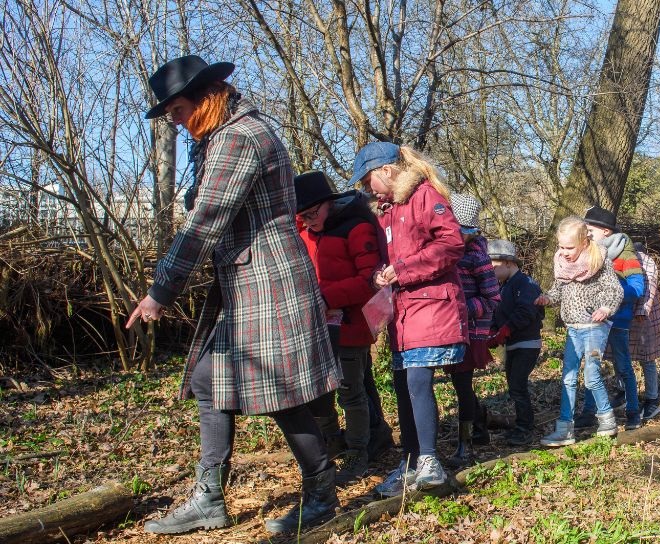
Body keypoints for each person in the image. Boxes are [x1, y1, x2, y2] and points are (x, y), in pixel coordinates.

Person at [131, 55, 341, 535]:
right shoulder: (220, 140)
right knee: (207, 379)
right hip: (244, 283)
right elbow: (207, 202)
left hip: (270, 282)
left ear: (205, 98)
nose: (177, 122)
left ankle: (322, 494)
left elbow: (204, 222)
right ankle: (209, 499)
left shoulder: (240, 137)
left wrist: (161, 290)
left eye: (178, 111)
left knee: (281, 393)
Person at [353, 142, 468, 497]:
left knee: (418, 381)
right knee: (403, 385)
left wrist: (401, 270)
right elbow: (387, 258)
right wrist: (379, 274)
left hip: (430, 307)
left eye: (368, 179)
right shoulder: (385, 210)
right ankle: (410, 460)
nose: (366, 188)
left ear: (386, 170)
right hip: (402, 314)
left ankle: (430, 459)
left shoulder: (424, 195)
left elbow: (452, 243)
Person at [294, 171, 395, 485]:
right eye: (303, 215)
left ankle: (357, 452)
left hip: (350, 326)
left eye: (313, 213)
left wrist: (326, 297)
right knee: (330, 390)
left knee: (352, 392)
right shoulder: (306, 231)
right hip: (316, 326)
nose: (309, 221)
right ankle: (350, 439)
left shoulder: (357, 227)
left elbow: (370, 280)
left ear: (329, 204)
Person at [535, 216, 625, 447]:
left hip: (595, 328)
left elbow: (614, 290)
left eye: (569, 247)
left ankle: (607, 419)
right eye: (561, 247)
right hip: (573, 329)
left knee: (592, 375)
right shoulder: (563, 264)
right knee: (568, 377)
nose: (564, 252)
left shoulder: (598, 260)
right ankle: (565, 429)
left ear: (584, 242)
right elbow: (559, 289)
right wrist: (547, 298)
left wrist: (606, 308)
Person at [443, 193, 500, 468]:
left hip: (472, 330)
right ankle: (480, 421)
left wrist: (462, 308)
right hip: (445, 327)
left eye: (464, 232)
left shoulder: (477, 256)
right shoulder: (443, 251)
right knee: (457, 383)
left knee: (462, 385)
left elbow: (492, 298)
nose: (458, 236)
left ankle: (465, 445)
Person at [578, 206, 646, 430]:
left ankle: (633, 412)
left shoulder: (626, 256)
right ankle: (589, 412)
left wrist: (610, 296)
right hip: (594, 323)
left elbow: (637, 288)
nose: (587, 234)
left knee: (623, 367)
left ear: (606, 231)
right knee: (592, 365)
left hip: (617, 322)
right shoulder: (591, 254)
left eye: (590, 230)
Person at [487, 239, 546, 446]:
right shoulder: (504, 287)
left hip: (527, 343)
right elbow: (498, 313)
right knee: (513, 385)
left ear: (509, 263)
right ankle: (522, 423)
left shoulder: (525, 283)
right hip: (513, 344)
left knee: (518, 386)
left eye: (493, 266)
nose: (490, 270)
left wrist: (506, 329)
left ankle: (525, 428)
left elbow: (526, 311)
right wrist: (494, 330)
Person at [624, 242, 660, 420]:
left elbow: (649, 288)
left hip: (645, 319)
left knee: (647, 359)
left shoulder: (645, 262)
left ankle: (653, 398)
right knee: (620, 357)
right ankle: (623, 393)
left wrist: (642, 310)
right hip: (625, 315)